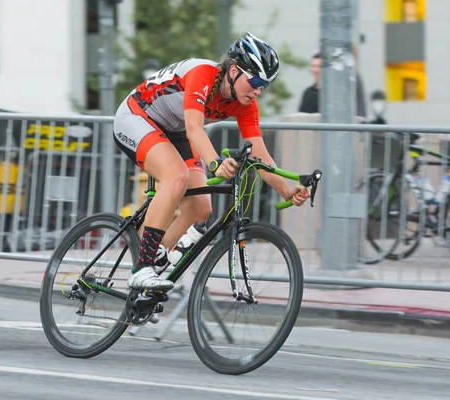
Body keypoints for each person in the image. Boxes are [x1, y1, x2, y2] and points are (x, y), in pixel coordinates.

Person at [113, 32, 310, 291]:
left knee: (200, 208)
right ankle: (143, 268)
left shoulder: (246, 103)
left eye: (265, 85)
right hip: (137, 116)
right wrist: (215, 163)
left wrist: (285, 189)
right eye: (256, 81)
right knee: (177, 177)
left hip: (173, 129)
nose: (258, 91)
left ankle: (150, 267)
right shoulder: (203, 74)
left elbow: (260, 153)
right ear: (233, 71)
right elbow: (195, 129)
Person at [298, 50, 366, 117]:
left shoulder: (338, 92)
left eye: (319, 66)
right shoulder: (308, 93)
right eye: (313, 66)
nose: (315, 70)